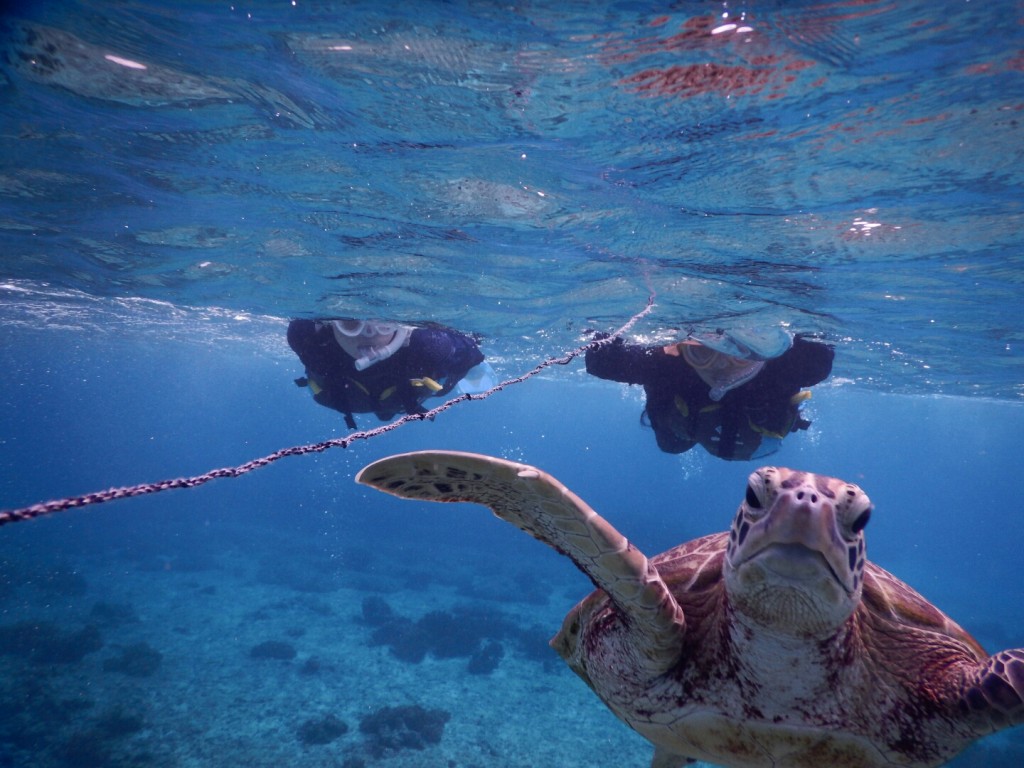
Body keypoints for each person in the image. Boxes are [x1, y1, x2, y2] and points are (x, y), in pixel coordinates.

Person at [585, 328, 834, 460]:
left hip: (752, 416)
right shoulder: (669, 361)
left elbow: (600, 361)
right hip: (683, 412)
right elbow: (601, 363)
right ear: (680, 346)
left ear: (767, 350)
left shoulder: (793, 364)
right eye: (703, 351)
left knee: (672, 440)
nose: (721, 367)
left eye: (740, 350)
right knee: (672, 444)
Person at [287, 318, 485, 429]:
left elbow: (473, 352)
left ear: (399, 326)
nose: (367, 336)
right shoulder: (308, 339)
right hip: (350, 398)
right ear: (331, 324)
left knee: (466, 369)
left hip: (400, 394)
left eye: (382, 323)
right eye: (351, 323)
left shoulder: (430, 347)